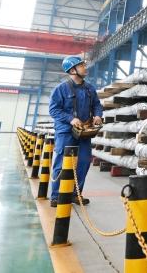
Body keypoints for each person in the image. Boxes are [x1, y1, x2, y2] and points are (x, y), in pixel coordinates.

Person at [48, 55, 103, 207]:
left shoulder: (90, 89)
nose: (85, 68)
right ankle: (56, 196)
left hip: (84, 132)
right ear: (72, 70)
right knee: (62, 163)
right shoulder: (61, 89)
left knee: (84, 162)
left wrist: (98, 115)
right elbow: (54, 110)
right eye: (81, 65)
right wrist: (70, 119)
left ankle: (75, 194)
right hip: (66, 132)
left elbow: (97, 105)